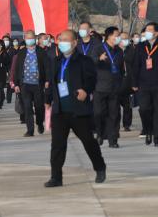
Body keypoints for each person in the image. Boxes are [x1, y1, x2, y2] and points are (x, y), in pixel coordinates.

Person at [44, 30, 106, 188]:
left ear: (74, 42)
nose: (62, 42)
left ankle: (100, 167)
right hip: (60, 110)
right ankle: (56, 177)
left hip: (79, 110)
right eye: (60, 39)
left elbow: (92, 79)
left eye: (66, 39)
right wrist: (48, 100)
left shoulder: (84, 61)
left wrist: (86, 90)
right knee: (57, 145)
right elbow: (52, 82)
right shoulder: (56, 61)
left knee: (88, 141)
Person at [131, 21, 158, 146]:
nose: (147, 32)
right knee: (144, 109)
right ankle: (148, 130)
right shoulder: (140, 46)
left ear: (156, 33)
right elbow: (135, 65)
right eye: (146, 30)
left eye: (150, 30)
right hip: (143, 84)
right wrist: (134, 82)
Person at [93, 27, 125, 148]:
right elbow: (90, 63)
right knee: (99, 113)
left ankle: (113, 139)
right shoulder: (98, 49)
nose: (118, 37)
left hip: (114, 87)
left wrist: (121, 83)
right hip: (100, 87)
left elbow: (121, 69)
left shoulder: (119, 51)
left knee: (114, 114)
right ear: (109, 36)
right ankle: (100, 133)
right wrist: (98, 59)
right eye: (116, 35)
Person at [13, 30, 47, 137]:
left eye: (31, 38)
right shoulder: (21, 52)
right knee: (27, 108)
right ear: (25, 39)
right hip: (25, 84)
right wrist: (16, 84)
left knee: (39, 107)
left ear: (35, 39)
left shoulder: (41, 52)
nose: (29, 40)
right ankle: (30, 130)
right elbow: (17, 69)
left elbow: (47, 68)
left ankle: (40, 123)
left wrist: (47, 81)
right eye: (27, 38)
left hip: (38, 84)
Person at [117, 31, 134, 132]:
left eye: (126, 38)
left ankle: (127, 124)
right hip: (117, 82)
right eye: (123, 38)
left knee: (128, 106)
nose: (125, 40)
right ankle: (116, 124)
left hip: (129, 81)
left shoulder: (132, 50)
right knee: (115, 106)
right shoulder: (115, 50)